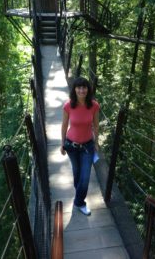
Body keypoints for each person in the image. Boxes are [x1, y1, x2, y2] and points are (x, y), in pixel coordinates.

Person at [60, 77, 100, 216]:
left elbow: (95, 125)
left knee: (85, 176)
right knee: (77, 173)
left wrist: (96, 143)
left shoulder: (94, 105)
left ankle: (79, 202)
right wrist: (62, 144)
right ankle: (79, 195)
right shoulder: (68, 105)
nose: (82, 90)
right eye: (79, 87)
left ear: (88, 89)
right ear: (74, 89)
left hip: (87, 146)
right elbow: (64, 125)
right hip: (71, 145)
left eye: (84, 87)